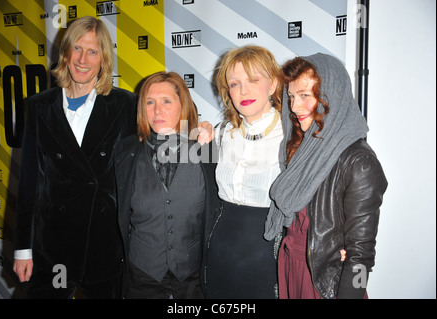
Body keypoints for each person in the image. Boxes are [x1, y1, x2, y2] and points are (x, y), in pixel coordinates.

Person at [12, 16, 137, 298]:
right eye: (77, 49)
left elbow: (156, 143)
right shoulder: (39, 107)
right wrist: (23, 248)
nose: (83, 59)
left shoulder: (125, 105)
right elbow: (29, 184)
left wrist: (195, 130)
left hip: (105, 246)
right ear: (65, 53)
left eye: (93, 51)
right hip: (54, 247)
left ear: (103, 59)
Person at [264, 53, 388, 299]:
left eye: (305, 96)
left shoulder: (359, 162)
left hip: (324, 283)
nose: (294, 106)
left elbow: (361, 257)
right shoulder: (301, 148)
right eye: (291, 96)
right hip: (291, 269)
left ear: (331, 95)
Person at [114, 71, 221, 299]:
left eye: (166, 101)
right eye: (149, 102)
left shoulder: (207, 152)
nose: (157, 110)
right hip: (142, 275)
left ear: (183, 105)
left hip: (192, 276)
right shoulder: (125, 154)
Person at [203, 45, 284, 298]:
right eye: (235, 83)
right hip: (220, 249)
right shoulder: (221, 133)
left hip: (268, 252)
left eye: (253, 80)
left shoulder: (292, 136)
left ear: (272, 85)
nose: (243, 90)